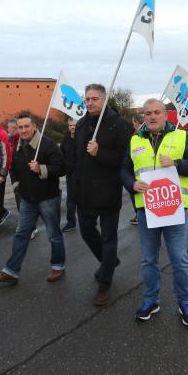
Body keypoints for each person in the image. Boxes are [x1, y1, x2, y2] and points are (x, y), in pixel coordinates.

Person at [120, 98, 188, 327]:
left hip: (174, 209)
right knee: (149, 260)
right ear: (143, 117)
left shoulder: (180, 136)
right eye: (148, 113)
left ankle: (185, 302)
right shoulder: (135, 139)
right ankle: (151, 300)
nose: (152, 116)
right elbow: (125, 170)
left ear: (166, 115)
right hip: (146, 209)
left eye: (157, 112)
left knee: (179, 259)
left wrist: (177, 164)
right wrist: (131, 184)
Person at [0, 114, 66, 284]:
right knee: (21, 234)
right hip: (27, 200)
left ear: (34, 126)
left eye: (26, 127)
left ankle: (58, 266)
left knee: (53, 235)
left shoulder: (48, 144)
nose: (23, 130)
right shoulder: (18, 145)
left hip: (48, 198)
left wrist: (41, 169)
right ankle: (11, 272)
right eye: (20, 127)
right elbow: (13, 168)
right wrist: (17, 186)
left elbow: (61, 168)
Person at [73, 83, 128, 307]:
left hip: (107, 190)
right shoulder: (81, 123)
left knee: (108, 238)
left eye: (94, 99)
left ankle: (105, 282)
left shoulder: (118, 124)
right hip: (84, 191)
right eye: (87, 99)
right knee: (86, 231)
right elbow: (77, 157)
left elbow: (123, 159)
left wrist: (100, 153)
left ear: (104, 99)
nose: (90, 103)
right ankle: (109, 261)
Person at [60, 117, 78, 232]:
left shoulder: (83, 138)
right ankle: (71, 222)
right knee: (70, 201)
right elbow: (61, 156)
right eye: (70, 125)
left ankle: (90, 220)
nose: (72, 127)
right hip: (70, 175)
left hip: (82, 174)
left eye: (74, 125)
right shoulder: (65, 140)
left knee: (85, 199)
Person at [127, 113, 144, 225]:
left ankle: (139, 215)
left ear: (138, 123)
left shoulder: (141, 134)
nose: (133, 126)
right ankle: (139, 214)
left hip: (138, 172)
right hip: (135, 171)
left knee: (137, 195)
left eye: (134, 124)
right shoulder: (136, 134)